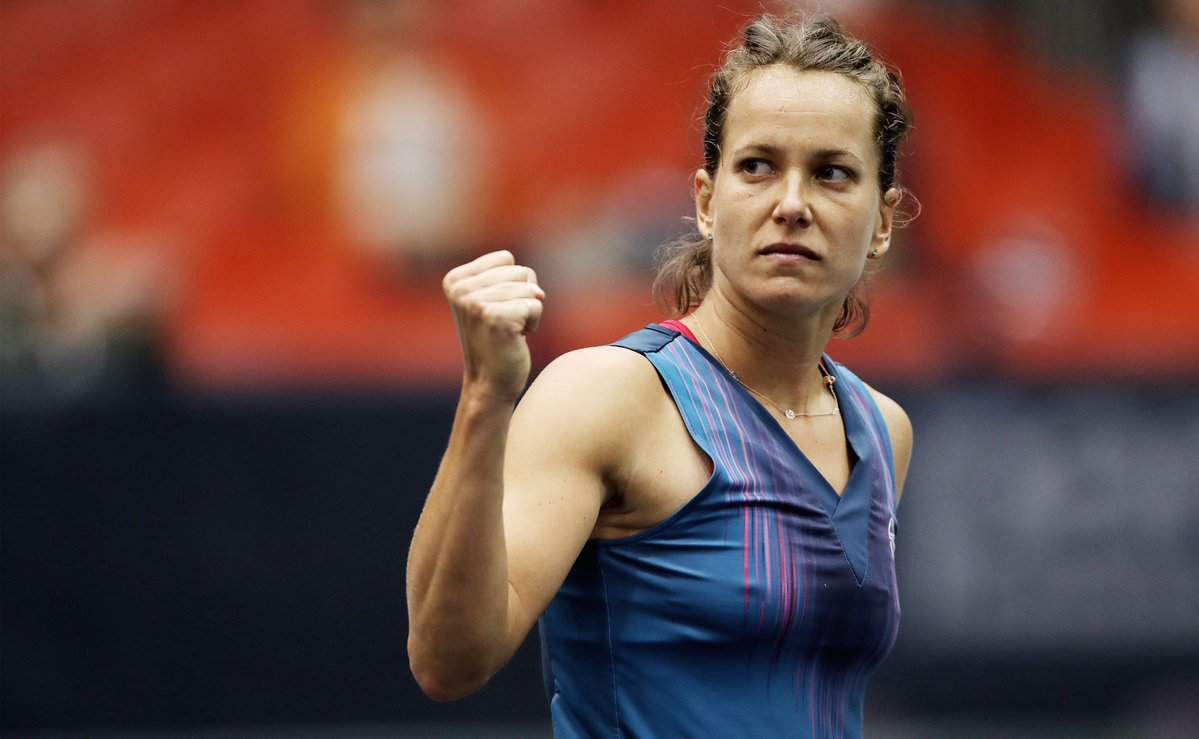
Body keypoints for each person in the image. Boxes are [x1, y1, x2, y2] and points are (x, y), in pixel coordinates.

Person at [407, 15, 915, 738]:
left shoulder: (882, 429)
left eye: (832, 173)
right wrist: (485, 399)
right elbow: (447, 660)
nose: (792, 204)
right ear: (707, 202)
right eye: (757, 166)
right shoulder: (607, 397)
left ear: (883, 220)